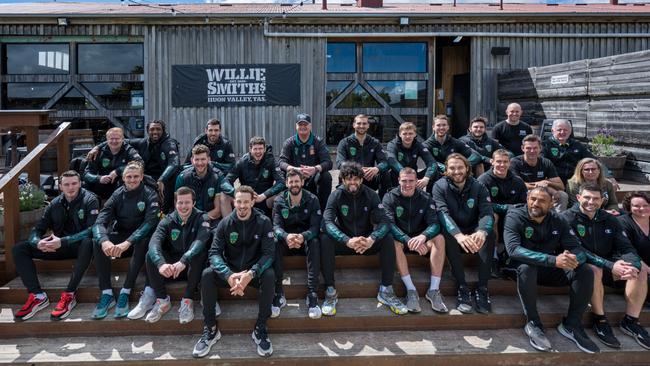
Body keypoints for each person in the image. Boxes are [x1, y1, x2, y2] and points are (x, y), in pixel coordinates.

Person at [504, 187, 598, 354]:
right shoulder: (515, 215)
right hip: (518, 268)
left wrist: (573, 258)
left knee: (585, 271)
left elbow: (575, 247)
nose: (535, 203)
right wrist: (553, 260)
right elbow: (513, 250)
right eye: (532, 199)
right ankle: (533, 322)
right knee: (527, 268)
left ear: (551, 203)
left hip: (549, 269)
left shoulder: (558, 219)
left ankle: (572, 324)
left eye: (541, 201)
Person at [562, 183, 649, 349]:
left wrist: (634, 264)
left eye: (596, 198)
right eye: (586, 197)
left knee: (640, 270)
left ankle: (631, 321)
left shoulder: (610, 219)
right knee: (594, 270)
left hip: (608, 266)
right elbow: (580, 252)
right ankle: (599, 319)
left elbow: (626, 247)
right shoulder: (567, 218)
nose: (591, 201)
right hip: (580, 267)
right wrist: (611, 265)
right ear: (579, 197)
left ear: (602, 200)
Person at [193, 186, 275, 358]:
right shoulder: (225, 223)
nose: (242, 206)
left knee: (269, 275)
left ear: (253, 202)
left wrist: (251, 273)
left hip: (252, 272)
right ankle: (211, 329)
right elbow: (214, 253)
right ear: (234, 202)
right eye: (239, 202)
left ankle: (260, 328)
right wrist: (228, 274)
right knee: (207, 275)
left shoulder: (263, 222)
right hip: (231, 272)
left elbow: (269, 254)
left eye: (246, 202)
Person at [320, 161, 407, 316]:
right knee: (325, 239)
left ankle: (386, 290)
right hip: (345, 243)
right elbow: (326, 222)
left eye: (356, 179)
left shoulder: (371, 194)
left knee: (387, 238)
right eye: (348, 179)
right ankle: (330, 290)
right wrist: (346, 240)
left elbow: (385, 221)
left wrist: (372, 239)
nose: (352, 182)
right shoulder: (336, 195)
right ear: (342, 180)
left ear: (361, 179)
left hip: (366, 242)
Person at [12, 170, 99, 321]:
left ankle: (69, 294)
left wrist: (63, 241)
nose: (71, 187)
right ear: (60, 186)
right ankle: (37, 296)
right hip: (57, 247)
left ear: (80, 184)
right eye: (66, 184)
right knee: (19, 248)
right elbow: (38, 229)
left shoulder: (90, 200)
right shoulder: (55, 203)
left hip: (79, 248)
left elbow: (92, 230)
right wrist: (37, 242)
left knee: (88, 242)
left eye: (74, 183)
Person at [91, 161, 160, 319]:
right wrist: (104, 240)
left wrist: (127, 242)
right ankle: (107, 293)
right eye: (129, 176)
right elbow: (100, 221)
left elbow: (150, 223)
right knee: (97, 241)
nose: (132, 179)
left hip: (139, 238)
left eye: (136, 176)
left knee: (144, 240)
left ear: (142, 177)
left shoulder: (150, 194)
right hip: (121, 235)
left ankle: (126, 290)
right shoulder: (117, 194)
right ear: (123, 178)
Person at [431, 153, 495, 314]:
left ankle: (482, 288)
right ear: (446, 170)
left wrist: (481, 231)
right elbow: (442, 214)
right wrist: (458, 235)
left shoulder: (479, 186)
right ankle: (462, 287)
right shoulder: (439, 186)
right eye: (452, 168)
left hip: (473, 231)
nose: (456, 171)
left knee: (490, 234)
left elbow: (487, 212)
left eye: (460, 167)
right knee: (446, 233)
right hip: (454, 232)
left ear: (467, 168)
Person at [382, 167, 447, 313]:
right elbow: (389, 224)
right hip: (401, 239)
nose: (407, 184)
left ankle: (434, 289)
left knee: (440, 239)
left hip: (421, 238)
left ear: (417, 181)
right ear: (398, 180)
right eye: (404, 180)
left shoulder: (425, 198)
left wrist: (423, 237)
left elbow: (435, 224)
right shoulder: (390, 197)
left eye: (411, 181)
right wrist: (407, 240)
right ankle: (411, 290)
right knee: (391, 241)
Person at [144, 186, 211, 324]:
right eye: (180, 202)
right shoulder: (167, 220)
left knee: (200, 251)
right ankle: (162, 300)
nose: (183, 206)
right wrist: (161, 263)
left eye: (187, 202)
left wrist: (184, 260)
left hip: (191, 269)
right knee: (150, 255)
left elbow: (200, 240)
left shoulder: (202, 217)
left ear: (193, 203)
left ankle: (188, 299)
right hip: (171, 269)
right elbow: (154, 242)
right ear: (175, 203)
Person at [87, 120, 180, 213]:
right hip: (147, 176)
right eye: (152, 129)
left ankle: (163, 214)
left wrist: (161, 179)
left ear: (163, 130)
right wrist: (97, 147)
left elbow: (174, 163)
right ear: (148, 131)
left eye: (158, 129)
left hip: (166, 178)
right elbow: (117, 140)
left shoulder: (169, 144)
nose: (155, 132)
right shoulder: (143, 142)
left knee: (163, 203)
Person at [271, 170, 322, 319]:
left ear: (302, 182)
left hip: (305, 239)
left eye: (296, 181)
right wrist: (286, 236)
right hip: (287, 241)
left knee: (314, 242)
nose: (294, 184)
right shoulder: (279, 200)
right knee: (274, 242)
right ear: (286, 184)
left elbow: (315, 227)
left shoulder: (312, 199)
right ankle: (278, 292)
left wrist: (302, 236)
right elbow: (276, 227)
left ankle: (312, 294)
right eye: (291, 182)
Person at [477, 149, 528, 276]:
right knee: (493, 216)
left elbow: (524, 203)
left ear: (509, 163)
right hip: (488, 215)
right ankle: (493, 257)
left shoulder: (517, 181)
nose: (502, 165)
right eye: (498, 161)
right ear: (492, 162)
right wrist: (507, 208)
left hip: (512, 215)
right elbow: (484, 204)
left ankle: (510, 255)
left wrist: (512, 210)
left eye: (505, 162)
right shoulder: (484, 180)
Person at [278, 113, 333, 210]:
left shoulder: (318, 141)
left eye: (305, 124)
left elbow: (328, 162)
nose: (303, 127)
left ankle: (323, 210)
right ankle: (285, 208)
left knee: (326, 176)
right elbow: (281, 162)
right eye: (300, 124)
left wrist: (315, 169)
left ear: (310, 126)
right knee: (280, 174)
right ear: (296, 126)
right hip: (295, 178)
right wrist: (295, 169)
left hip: (312, 178)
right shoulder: (289, 142)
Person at [542, 119, 617, 189]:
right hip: (555, 181)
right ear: (552, 131)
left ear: (570, 131)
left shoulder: (577, 145)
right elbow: (542, 164)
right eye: (559, 130)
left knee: (606, 184)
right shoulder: (545, 145)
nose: (562, 132)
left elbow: (593, 160)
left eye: (565, 130)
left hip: (576, 180)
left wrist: (609, 176)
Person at [176, 144, 235, 225]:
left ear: (209, 159)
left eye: (203, 159)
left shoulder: (216, 176)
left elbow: (217, 211)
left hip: (211, 219)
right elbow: (177, 205)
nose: (200, 163)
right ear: (192, 160)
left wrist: (200, 219)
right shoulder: (182, 178)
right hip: (188, 220)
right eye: (197, 159)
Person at [335, 114, 391, 198]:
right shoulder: (344, 142)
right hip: (351, 177)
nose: (361, 126)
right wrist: (358, 170)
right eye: (359, 123)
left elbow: (385, 162)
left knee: (385, 174)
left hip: (369, 177)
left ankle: (382, 204)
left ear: (368, 125)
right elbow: (340, 163)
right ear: (354, 125)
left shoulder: (374, 143)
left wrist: (377, 169)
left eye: (364, 124)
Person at [227, 136, 285, 216]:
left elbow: (281, 182)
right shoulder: (242, 162)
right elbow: (227, 181)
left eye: (260, 148)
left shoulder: (271, 161)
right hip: (246, 200)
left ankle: (276, 225)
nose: (258, 152)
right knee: (224, 196)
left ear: (264, 149)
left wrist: (264, 195)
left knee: (279, 196)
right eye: (255, 149)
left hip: (265, 199)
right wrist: (238, 194)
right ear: (250, 149)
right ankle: (229, 224)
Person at [510, 134, 569, 211]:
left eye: (535, 148)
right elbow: (517, 184)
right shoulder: (515, 162)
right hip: (523, 192)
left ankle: (558, 220)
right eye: (528, 148)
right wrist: (545, 187)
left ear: (540, 148)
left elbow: (561, 186)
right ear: (522, 148)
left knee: (562, 195)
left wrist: (547, 182)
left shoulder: (546, 162)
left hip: (542, 191)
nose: (532, 151)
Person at [83, 127, 142, 199]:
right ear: (107, 140)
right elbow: (86, 174)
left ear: (122, 139)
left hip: (121, 184)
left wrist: (118, 171)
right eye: (111, 139)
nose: (114, 141)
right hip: (103, 183)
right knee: (85, 185)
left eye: (117, 138)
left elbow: (140, 164)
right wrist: (99, 178)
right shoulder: (98, 152)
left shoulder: (128, 150)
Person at [386, 122, 439, 193]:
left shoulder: (419, 145)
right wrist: (405, 175)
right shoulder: (392, 145)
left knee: (436, 171)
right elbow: (392, 161)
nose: (408, 136)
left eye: (410, 133)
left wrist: (426, 178)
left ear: (415, 134)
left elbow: (431, 162)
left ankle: (430, 199)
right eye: (405, 134)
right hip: (398, 176)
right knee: (385, 172)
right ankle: (386, 198)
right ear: (400, 134)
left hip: (414, 177)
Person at [618, 193, 650, 308]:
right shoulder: (623, 222)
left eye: (645, 205)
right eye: (636, 206)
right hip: (633, 266)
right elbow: (628, 252)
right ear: (629, 208)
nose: (642, 209)